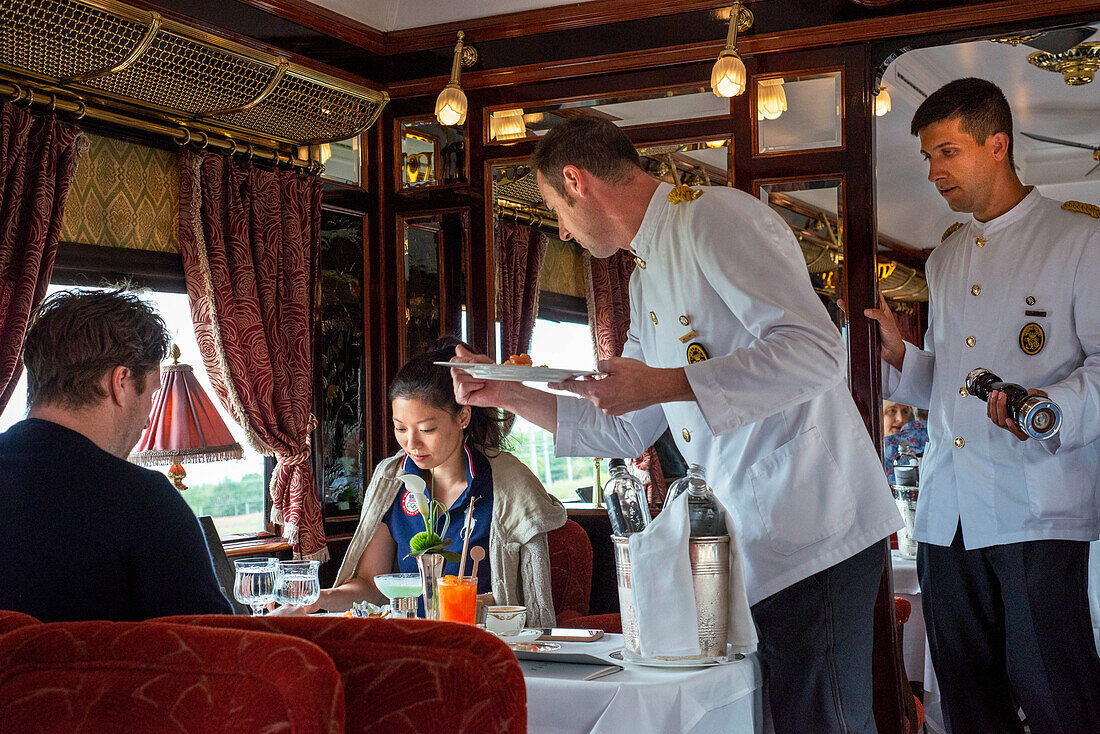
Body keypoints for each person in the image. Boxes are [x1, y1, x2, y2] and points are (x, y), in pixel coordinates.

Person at [452, 116, 902, 733]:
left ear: (576, 181)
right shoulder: (646, 272)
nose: (560, 227)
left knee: (828, 723)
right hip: (751, 537)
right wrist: (505, 392)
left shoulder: (714, 218)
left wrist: (665, 383)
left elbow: (816, 351)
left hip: (812, 521)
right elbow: (625, 428)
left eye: (555, 207)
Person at [866, 77, 1100, 733]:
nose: (934, 172)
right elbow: (947, 387)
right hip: (949, 515)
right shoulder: (944, 257)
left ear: (997, 145)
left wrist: (1047, 406)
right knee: (968, 705)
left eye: (947, 152)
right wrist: (898, 359)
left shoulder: (1078, 241)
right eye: (928, 158)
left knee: (1058, 699)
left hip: (1036, 509)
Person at [283, 340, 566, 627]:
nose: (412, 443)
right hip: (410, 643)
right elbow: (371, 586)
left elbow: (526, 599)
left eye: (427, 429)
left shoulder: (508, 482)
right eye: (400, 428)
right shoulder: (391, 480)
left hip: (485, 643)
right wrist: (321, 599)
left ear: (463, 417)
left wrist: (470, 602)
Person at [0, 287, 233, 622]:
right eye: (152, 395)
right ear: (120, 382)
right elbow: (215, 654)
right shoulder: (146, 502)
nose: (148, 419)